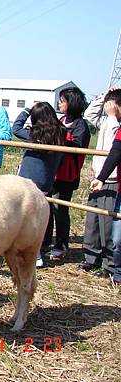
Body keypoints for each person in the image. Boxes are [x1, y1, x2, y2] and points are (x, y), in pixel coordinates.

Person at [12, 102, 67, 267]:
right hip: (46, 181)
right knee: (41, 217)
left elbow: (15, 128)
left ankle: (33, 254)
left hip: (27, 182)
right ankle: (40, 249)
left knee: (26, 219)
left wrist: (26, 110)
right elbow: (63, 159)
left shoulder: (34, 134)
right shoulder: (60, 134)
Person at [45, 87, 90, 261]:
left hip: (67, 175)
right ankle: (46, 242)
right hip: (53, 172)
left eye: (62, 101)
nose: (59, 103)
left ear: (71, 103)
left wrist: (62, 138)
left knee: (60, 210)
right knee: (47, 208)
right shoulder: (61, 120)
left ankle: (62, 245)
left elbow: (77, 148)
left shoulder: (80, 126)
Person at [81, 85, 120, 276]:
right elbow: (90, 114)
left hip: (112, 179)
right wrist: (104, 94)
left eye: (111, 104)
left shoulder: (115, 123)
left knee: (107, 224)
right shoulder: (106, 120)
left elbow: (115, 143)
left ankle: (109, 264)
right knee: (93, 221)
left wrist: (113, 115)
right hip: (98, 176)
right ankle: (91, 257)